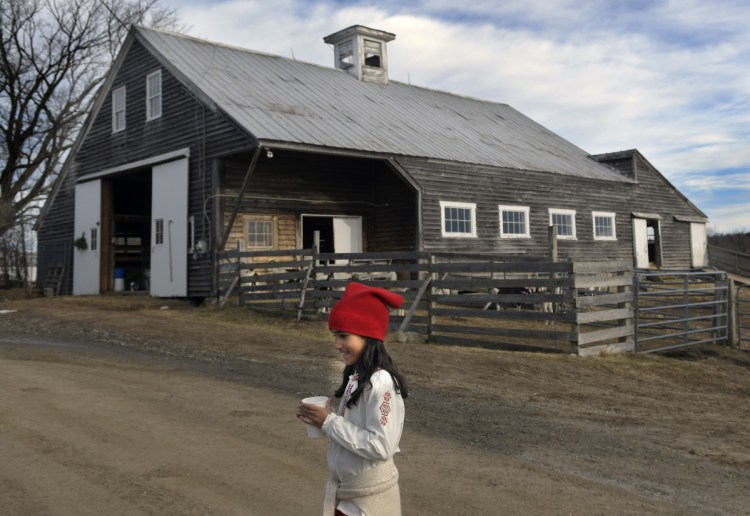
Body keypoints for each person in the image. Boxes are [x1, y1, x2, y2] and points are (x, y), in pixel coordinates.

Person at [297, 281, 408, 516]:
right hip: (351, 495)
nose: (337, 344)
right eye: (335, 335)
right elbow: (357, 430)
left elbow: (380, 446)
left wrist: (329, 422)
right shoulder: (358, 376)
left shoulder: (381, 383)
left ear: (368, 335)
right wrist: (323, 419)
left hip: (368, 501)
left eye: (344, 336)